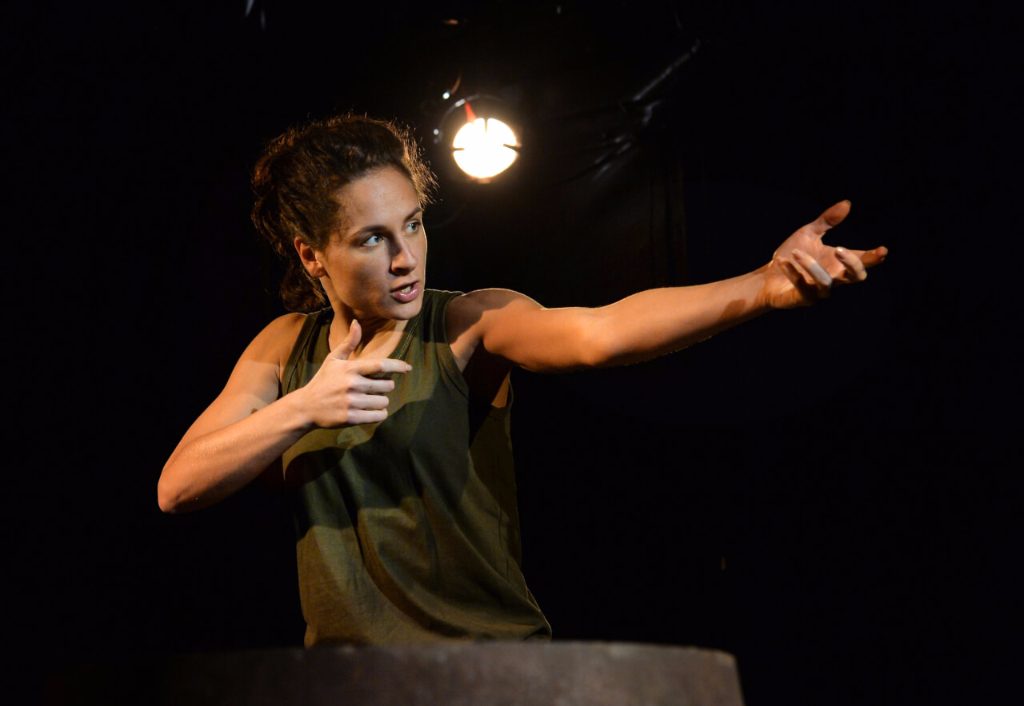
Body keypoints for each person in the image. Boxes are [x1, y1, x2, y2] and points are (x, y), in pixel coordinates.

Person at [157, 112, 887, 647]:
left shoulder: (466, 323)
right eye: (372, 238)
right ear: (311, 256)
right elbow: (178, 486)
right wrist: (302, 408)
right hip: (349, 685)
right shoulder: (285, 348)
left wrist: (762, 286)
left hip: (490, 672)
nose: (406, 257)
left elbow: (600, 335)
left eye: (413, 224)